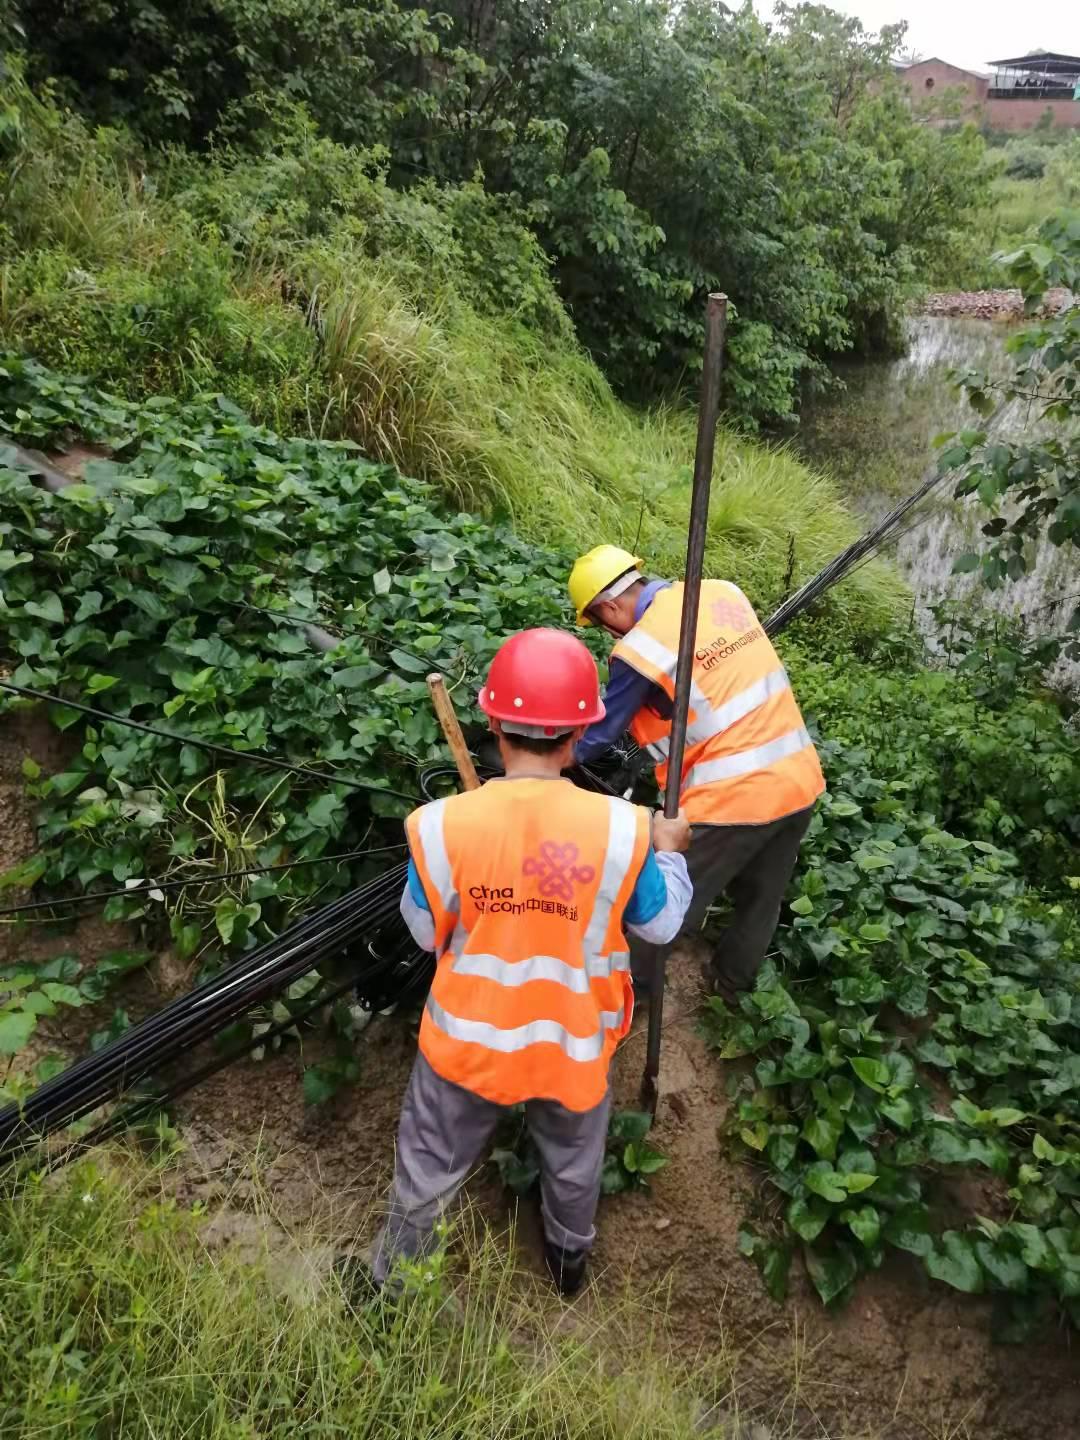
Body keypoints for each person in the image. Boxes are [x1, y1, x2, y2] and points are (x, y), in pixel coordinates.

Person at [372, 628, 691, 1296]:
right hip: (571, 1044)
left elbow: (425, 933)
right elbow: (660, 923)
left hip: (464, 1044)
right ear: (581, 733)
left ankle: (391, 1286)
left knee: (428, 1163)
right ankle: (568, 1262)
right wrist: (669, 853)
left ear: (492, 722)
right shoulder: (621, 830)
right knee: (574, 1161)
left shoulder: (439, 825)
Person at [568, 544, 824, 1003]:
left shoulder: (640, 648)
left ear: (609, 606)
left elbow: (600, 734)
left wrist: (545, 758)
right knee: (762, 897)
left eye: (601, 624)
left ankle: (636, 988)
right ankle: (731, 985)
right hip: (798, 775)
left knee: (664, 896)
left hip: (735, 796)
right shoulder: (721, 593)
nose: (608, 634)